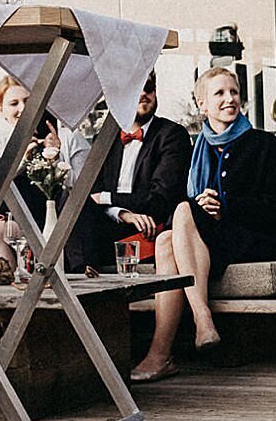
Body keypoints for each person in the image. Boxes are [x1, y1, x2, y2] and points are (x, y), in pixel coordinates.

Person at [129, 67, 276, 382]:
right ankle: (189, 332)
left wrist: (224, 207)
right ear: (203, 105)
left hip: (250, 236)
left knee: (181, 219)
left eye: (234, 92)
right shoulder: (194, 149)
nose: (230, 99)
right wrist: (203, 208)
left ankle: (177, 341)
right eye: (220, 93)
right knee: (168, 235)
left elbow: (275, 207)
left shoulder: (264, 144)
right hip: (207, 238)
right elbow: (179, 207)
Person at [0, 75, 82, 268]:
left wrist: (56, 158)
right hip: (10, 219)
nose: (22, 109)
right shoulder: (0, 145)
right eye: (13, 103)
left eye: (28, 101)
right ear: (2, 110)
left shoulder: (68, 137)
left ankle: (7, 291)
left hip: (51, 221)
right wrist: (19, 160)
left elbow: (83, 188)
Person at [67, 70, 190, 271]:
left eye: (148, 87)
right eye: (135, 89)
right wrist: (123, 213)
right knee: (70, 197)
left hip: (147, 231)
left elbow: (160, 200)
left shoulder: (173, 135)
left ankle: (83, 281)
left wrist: (106, 198)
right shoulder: (105, 138)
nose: (143, 94)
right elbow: (91, 194)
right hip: (110, 226)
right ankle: (81, 275)